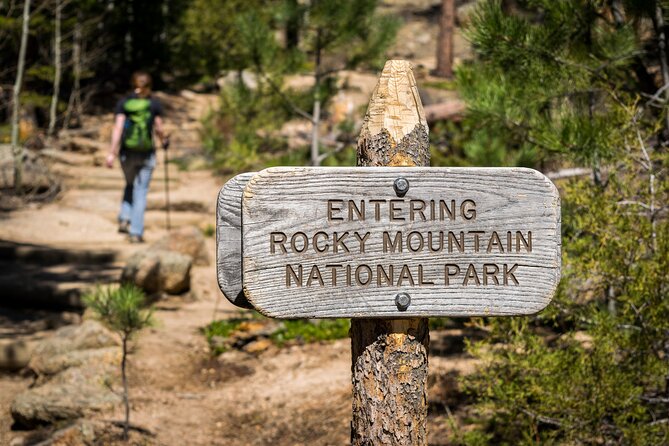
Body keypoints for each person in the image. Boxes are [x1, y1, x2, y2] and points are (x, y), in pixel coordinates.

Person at [106, 71, 167, 243]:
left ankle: (125, 217)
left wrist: (112, 153)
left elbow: (117, 129)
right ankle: (136, 232)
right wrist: (165, 141)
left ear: (133, 85)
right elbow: (159, 129)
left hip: (127, 153)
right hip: (147, 154)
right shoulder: (153, 104)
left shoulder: (124, 103)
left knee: (130, 184)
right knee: (141, 191)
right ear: (149, 86)